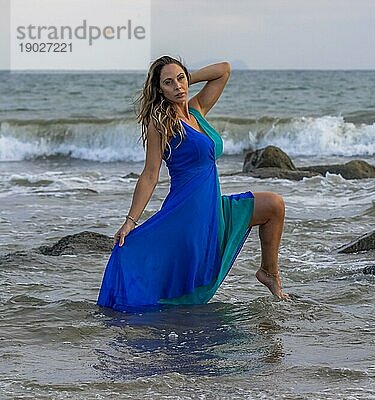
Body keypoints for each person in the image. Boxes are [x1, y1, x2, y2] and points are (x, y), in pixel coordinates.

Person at [97, 55, 288, 311]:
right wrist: (130, 221)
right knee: (182, 278)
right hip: (187, 213)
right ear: (159, 90)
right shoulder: (162, 123)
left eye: (180, 78)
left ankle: (268, 273)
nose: (177, 86)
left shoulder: (197, 110)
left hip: (212, 208)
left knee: (274, 205)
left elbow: (224, 70)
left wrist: (187, 80)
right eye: (168, 83)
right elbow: (150, 175)